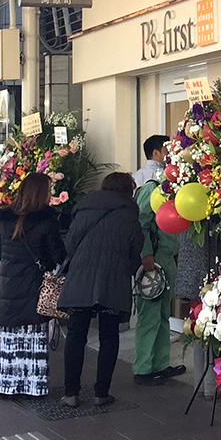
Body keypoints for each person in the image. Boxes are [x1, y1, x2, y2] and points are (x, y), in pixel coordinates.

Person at [57, 172, 145, 408]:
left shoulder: (85, 208)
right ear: (128, 189)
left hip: (81, 278)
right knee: (109, 335)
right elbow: (135, 249)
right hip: (112, 281)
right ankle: (100, 393)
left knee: (76, 334)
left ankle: (71, 393)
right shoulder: (129, 214)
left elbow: (71, 244)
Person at [0, 173, 66, 397]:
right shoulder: (46, 220)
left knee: (11, 334)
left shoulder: (5, 219)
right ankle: (33, 384)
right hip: (34, 284)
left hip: (10, 284)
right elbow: (58, 254)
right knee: (34, 333)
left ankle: (7, 384)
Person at [132, 176, 185, 384]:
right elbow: (141, 223)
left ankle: (160, 364)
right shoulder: (152, 189)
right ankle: (143, 368)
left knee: (163, 314)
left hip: (167, 258)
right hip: (153, 258)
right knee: (149, 315)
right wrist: (146, 254)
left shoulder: (174, 191)